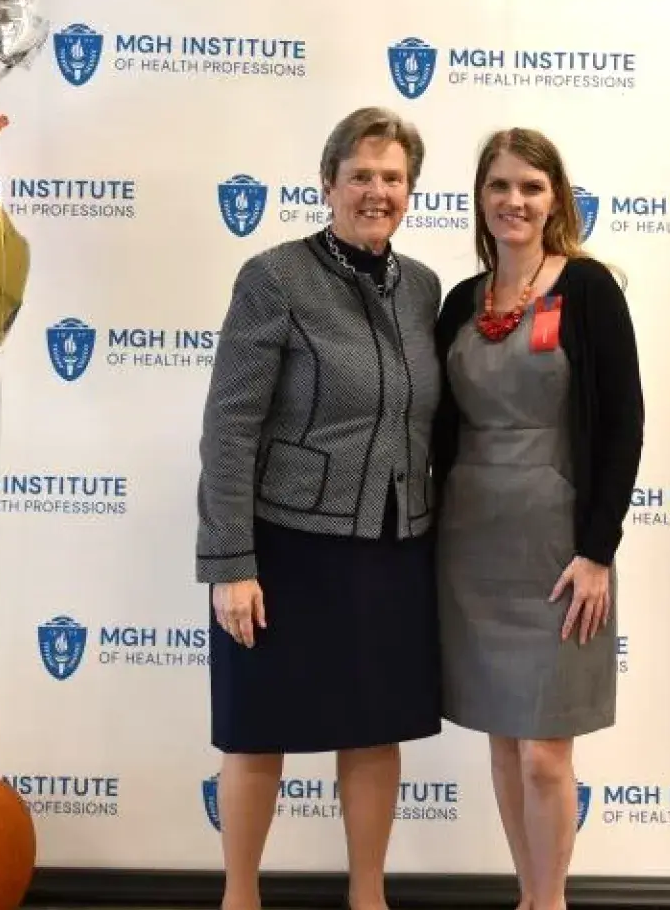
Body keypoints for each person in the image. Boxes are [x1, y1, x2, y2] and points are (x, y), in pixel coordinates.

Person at [195, 106, 445, 910]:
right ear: (328, 183)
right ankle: (240, 896)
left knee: (375, 728)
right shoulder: (273, 276)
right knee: (257, 727)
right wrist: (231, 563)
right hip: (284, 547)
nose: (378, 191)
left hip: (391, 543)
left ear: (410, 191)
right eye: (362, 175)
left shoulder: (425, 289)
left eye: (393, 178)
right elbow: (230, 425)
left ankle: (366, 898)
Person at [431, 128, 645, 910]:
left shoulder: (589, 290)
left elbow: (623, 424)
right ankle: (528, 895)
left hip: (559, 548)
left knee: (545, 755)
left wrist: (597, 551)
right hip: (469, 541)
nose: (513, 201)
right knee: (503, 740)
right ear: (479, 199)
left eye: (530, 186)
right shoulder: (461, 301)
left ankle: (550, 902)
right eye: (498, 187)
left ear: (555, 197)